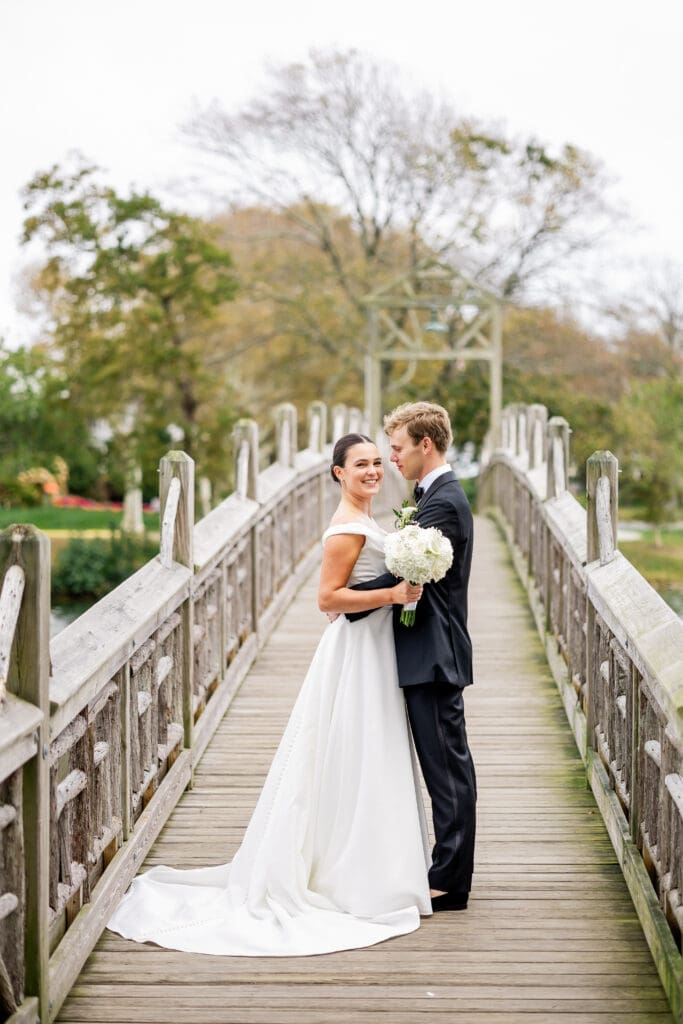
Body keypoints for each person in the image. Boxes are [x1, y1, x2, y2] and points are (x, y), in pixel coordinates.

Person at [107, 433, 431, 956]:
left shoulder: (366, 518)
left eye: (377, 462)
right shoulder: (346, 528)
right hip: (358, 652)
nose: (373, 471)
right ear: (338, 473)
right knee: (358, 749)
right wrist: (394, 593)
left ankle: (365, 864)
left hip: (372, 647)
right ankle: (354, 876)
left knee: (363, 752)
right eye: (361, 465)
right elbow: (327, 599)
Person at [347, 402, 476, 912]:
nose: (392, 458)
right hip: (427, 652)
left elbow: (406, 575)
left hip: (435, 654)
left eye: (398, 448)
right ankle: (447, 872)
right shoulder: (432, 496)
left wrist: (344, 600)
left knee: (446, 770)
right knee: (442, 766)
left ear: (426, 444)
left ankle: (450, 882)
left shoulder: (443, 503)